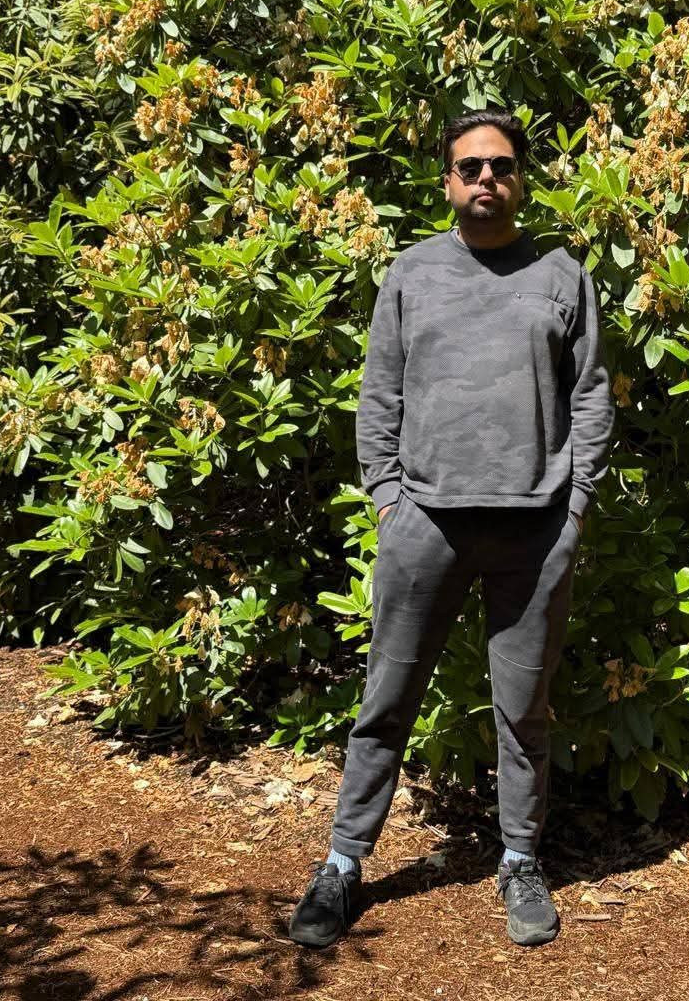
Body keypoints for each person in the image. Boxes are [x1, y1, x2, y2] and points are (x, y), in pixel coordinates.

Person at [288, 108, 615, 948]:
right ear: (448, 182)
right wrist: (387, 498)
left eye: (501, 165)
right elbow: (379, 391)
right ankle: (343, 865)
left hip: (534, 532)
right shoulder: (412, 273)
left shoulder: (562, 276)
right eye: (470, 167)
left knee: (523, 712)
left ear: (522, 179)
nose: (486, 179)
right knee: (385, 702)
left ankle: (520, 860)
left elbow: (591, 397)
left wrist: (575, 505)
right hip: (424, 525)